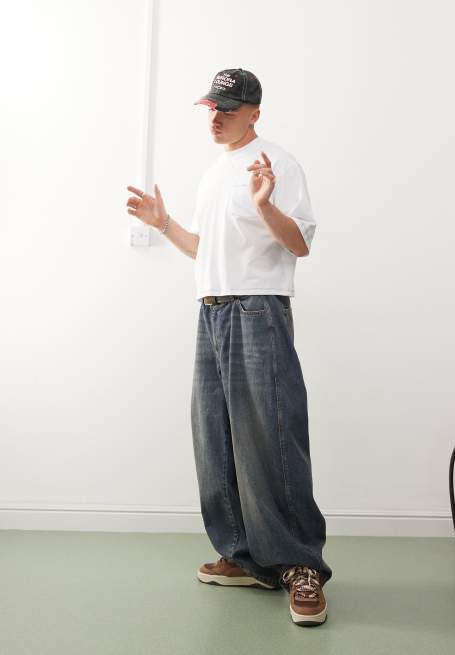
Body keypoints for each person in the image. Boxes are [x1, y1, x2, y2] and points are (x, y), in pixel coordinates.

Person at [126, 67, 332, 627]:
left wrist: (265, 204)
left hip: (258, 309)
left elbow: (300, 244)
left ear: (255, 113)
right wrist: (164, 223)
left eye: (229, 110)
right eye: (212, 108)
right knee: (214, 438)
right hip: (212, 309)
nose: (216, 119)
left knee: (271, 438)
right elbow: (206, 250)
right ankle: (245, 555)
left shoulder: (277, 164)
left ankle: (300, 566)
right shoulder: (215, 172)